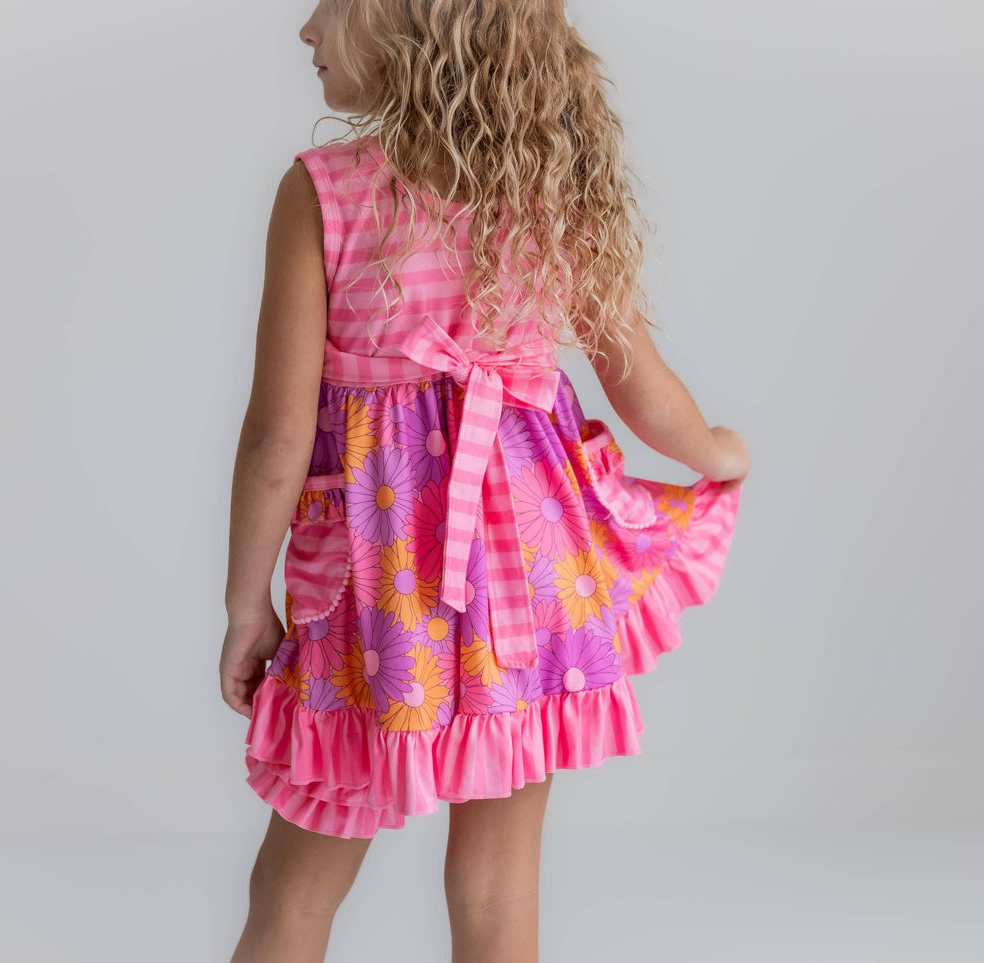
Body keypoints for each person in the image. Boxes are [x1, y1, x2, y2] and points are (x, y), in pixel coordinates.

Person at [220, 2, 750, 959]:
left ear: (410, 27)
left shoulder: (325, 193)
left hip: (375, 599)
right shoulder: (545, 186)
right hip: (526, 584)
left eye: (330, 3)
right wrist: (716, 451)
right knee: (496, 886)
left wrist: (245, 603)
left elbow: (275, 439)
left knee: (292, 888)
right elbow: (640, 387)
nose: (304, 27)